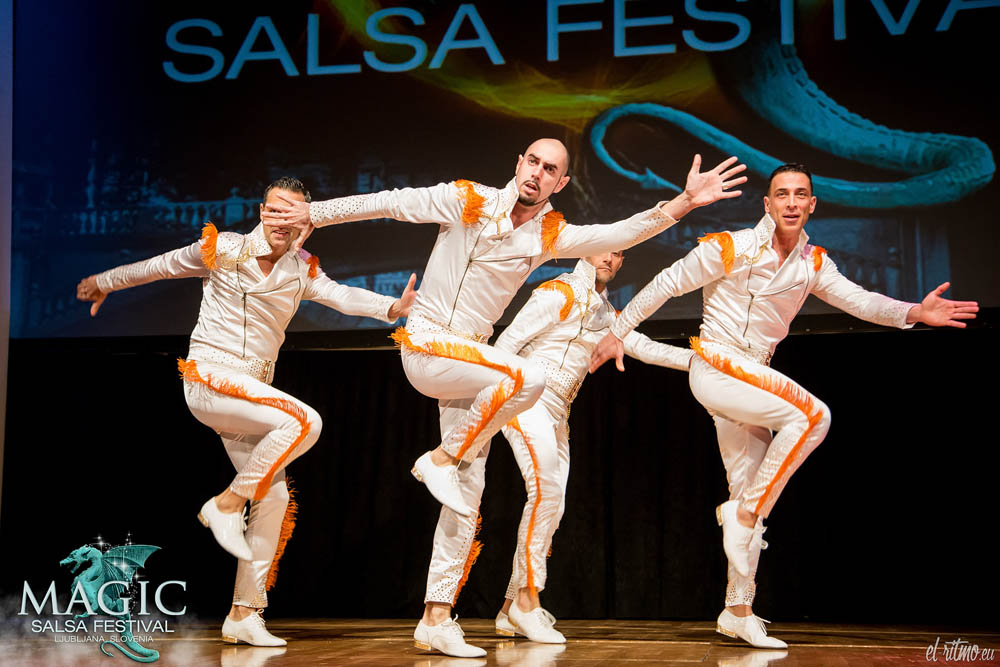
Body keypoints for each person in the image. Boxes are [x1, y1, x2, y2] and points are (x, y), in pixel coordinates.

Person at [266, 139, 746, 657]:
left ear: (561, 183)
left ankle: (435, 617)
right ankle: (440, 460)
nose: (538, 173)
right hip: (426, 342)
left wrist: (685, 202)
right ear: (518, 164)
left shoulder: (548, 234)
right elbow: (388, 202)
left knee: (466, 496)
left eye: (550, 169)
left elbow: (619, 232)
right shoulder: (466, 199)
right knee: (528, 380)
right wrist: (314, 213)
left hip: (468, 369)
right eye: (533, 162)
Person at [591, 164, 978, 648]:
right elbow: (667, 283)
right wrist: (617, 331)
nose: (791, 202)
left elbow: (860, 301)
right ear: (767, 204)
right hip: (720, 365)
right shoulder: (730, 247)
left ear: (812, 204)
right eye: (782, 194)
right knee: (814, 416)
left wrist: (914, 312)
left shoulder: (812, 263)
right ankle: (743, 516)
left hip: (750, 382)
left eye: (800, 195)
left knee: (750, 485)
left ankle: (737, 609)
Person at [76, 177, 416, 647]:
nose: (282, 221)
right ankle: (225, 504)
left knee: (273, 496)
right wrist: (103, 282)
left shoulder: (301, 269)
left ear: (305, 220)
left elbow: (342, 296)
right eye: (274, 210)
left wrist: (393, 306)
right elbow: (158, 267)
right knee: (305, 421)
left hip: (250, 396)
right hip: (209, 379)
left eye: (292, 213)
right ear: (261, 211)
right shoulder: (224, 249)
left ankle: (244, 612)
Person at [492, 250, 693, 643]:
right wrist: (493, 403)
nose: (611, 258)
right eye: (605, 248)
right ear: (586, 248)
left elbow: (643, 346)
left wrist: (702, 362)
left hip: (558, 412)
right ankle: (527, 602)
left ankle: (508, 610)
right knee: (545, 494)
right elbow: (506, 344)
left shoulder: (605, 312)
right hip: (527, 399)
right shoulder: (557, 292)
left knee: (553, 509)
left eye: (619, 253)